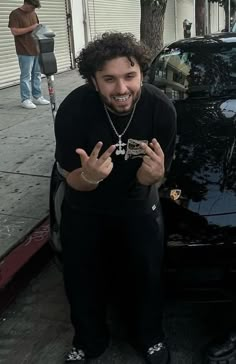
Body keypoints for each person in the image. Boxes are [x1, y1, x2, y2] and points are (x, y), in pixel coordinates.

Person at [54, 32, 177, 364]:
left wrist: (152, 178)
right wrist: (89, 177)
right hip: (85, 209)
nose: (121, 89)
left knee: (146, 277)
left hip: (138, 208)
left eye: (129, 76)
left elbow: (160, 174)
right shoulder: (73, 110)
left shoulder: (161, 109)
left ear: (142, 75)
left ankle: (150, 336)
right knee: (82, 280)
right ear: (93, 81)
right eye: (109, 79)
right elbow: (71, 178)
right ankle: (89, 341)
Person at [8, 0, 49, 109]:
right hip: (24, 50)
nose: (33, 10)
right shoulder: (15, 14)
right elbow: (15, 31)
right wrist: (32, 27)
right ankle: (25, 99)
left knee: (37, 74)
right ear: (27, 3)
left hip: (36, 49)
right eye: (32, 7)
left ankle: (37, 96)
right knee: (26, 75)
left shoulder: (33, 13)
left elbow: (36, 29)